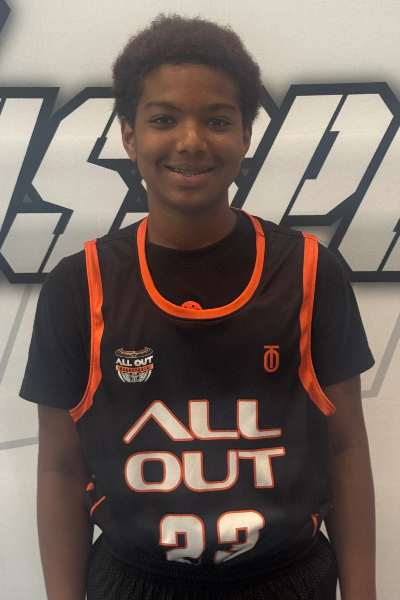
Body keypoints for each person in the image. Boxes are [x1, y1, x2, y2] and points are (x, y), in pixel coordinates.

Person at [20, 13, 376, 600]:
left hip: (286, 578)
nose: (191, 141)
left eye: (217, 120)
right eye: (163, 119)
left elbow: (345, 447)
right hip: (136, 580)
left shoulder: (311, 271)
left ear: (246, 135)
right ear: (129, 135)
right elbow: (60, 466)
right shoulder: (79, 285)